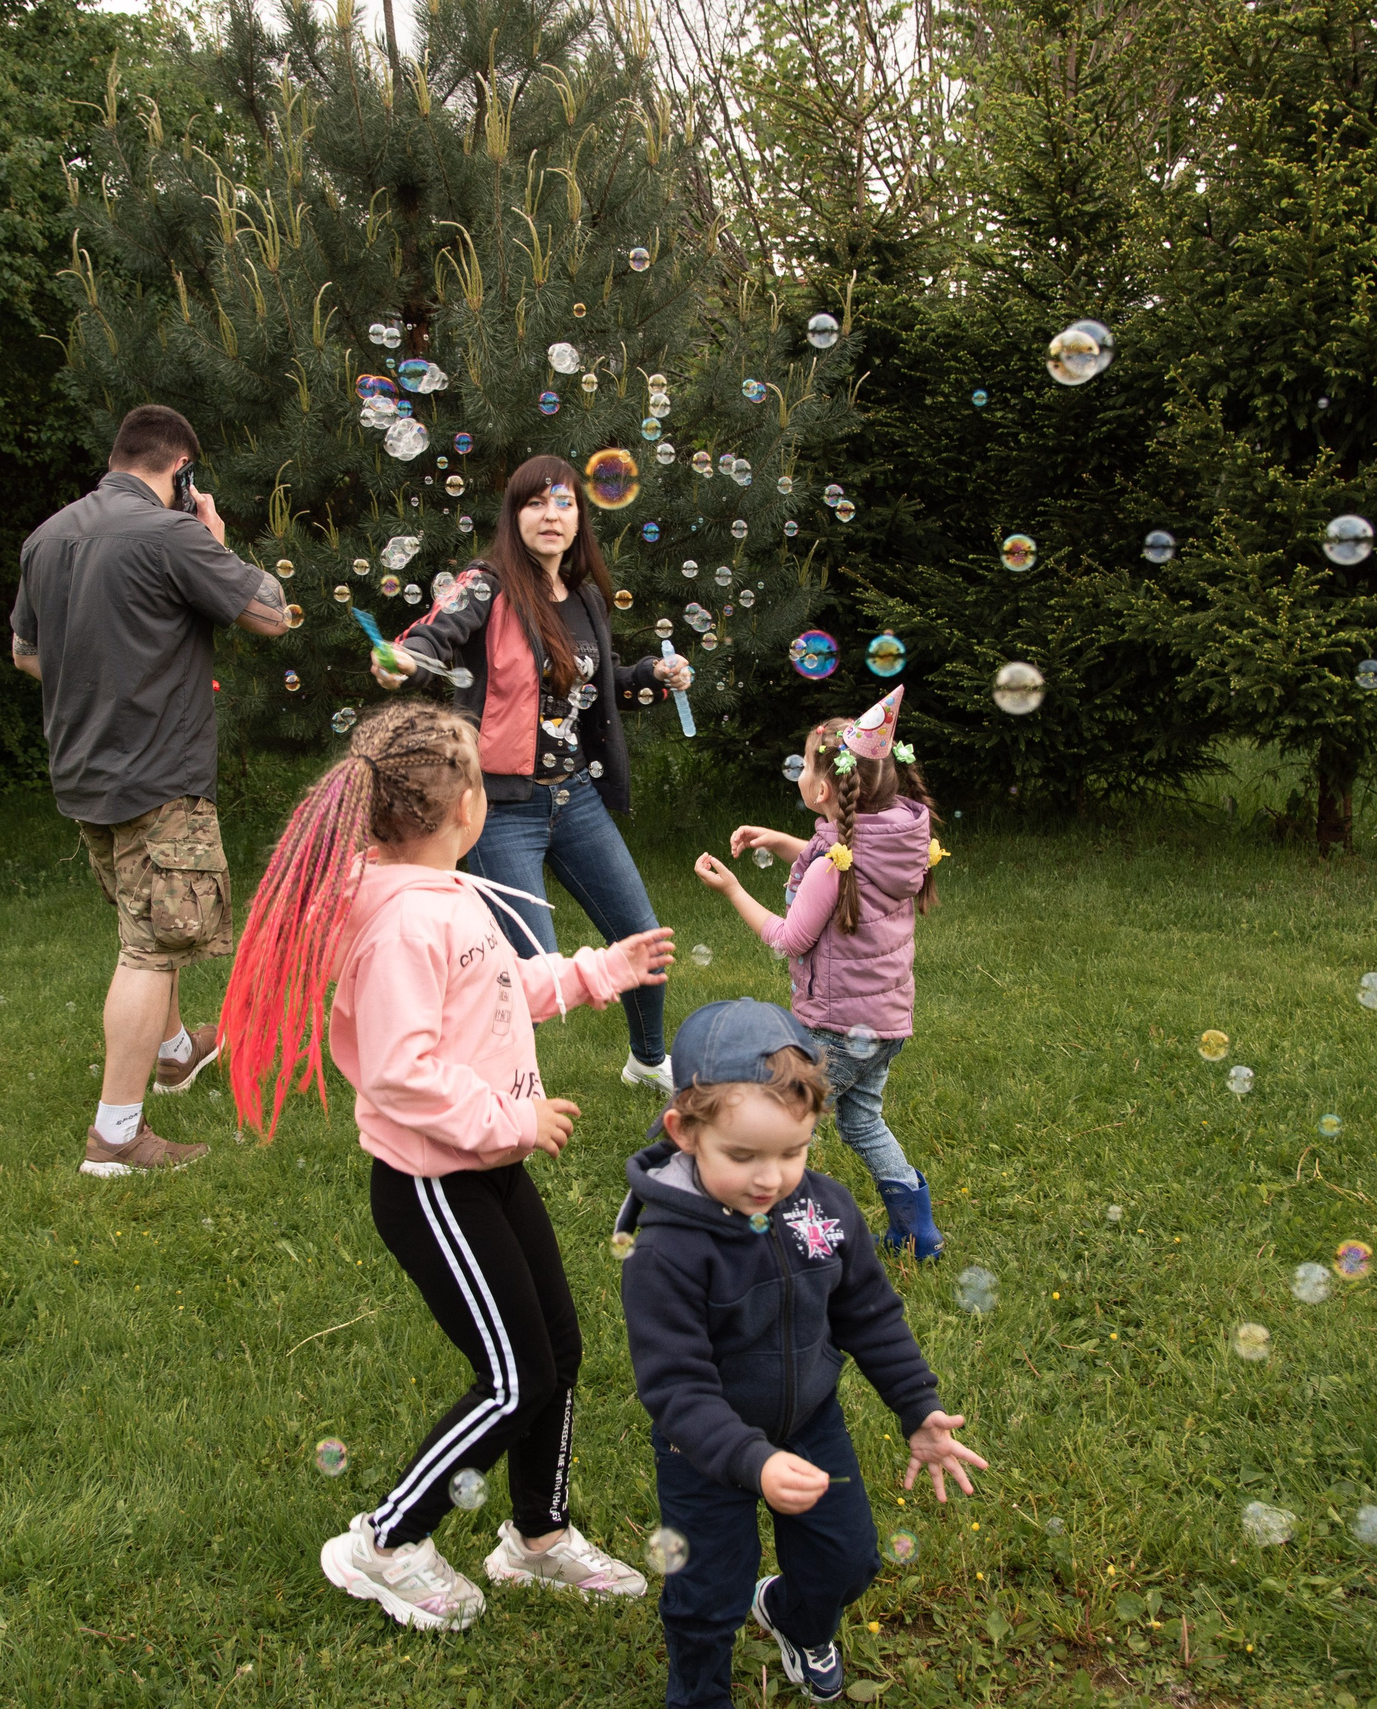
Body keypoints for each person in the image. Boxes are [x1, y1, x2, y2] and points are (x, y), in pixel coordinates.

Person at [218, 700, 674, 1632]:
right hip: (433, 1183)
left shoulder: (448, 894)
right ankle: (384, 1543)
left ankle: (536, 1538)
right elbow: (399, 1073)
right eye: (482, 772)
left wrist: (597, 970)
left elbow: (496, 988)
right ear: (462, 806)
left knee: (557, 1350)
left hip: (486, 1165)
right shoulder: (397, 923)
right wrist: (513, 1115)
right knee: (513, 1377)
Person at [614, 999, 985, 1707]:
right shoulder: (664, 1251)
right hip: (705, 1450)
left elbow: (869, 1313)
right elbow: (676, 1386)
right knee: (706, 1596)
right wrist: (752, 1460)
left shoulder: (827, 1209)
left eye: (793, 1151)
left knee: (848, 1560)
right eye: (742, 1155)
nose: (770, 1178)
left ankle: (793, 1614)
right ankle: (698, 1693)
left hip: (809, 1421)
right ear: (684, 1132)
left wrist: (918, 1407)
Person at [10, 403, 291, 1179]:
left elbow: (25, 654)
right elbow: (272, 615)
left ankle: (173, 1052)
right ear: (182, 470)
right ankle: (116, 1137)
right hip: (159, 776)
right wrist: (214, 539)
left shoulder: (48, 536)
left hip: (82, 773)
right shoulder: (172, 535)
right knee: (150, 948)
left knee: (149, 921)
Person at [372, 455, 696, 1093]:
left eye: (565, 503)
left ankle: (648, 1061)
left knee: (642, 939)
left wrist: (651, 680)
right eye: (535, 503)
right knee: (532, 971)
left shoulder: (586, 598)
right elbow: (432, 638)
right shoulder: (485, 585)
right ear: (514, 515)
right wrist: (401, 661)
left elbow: (596, 692)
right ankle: (503, 1093)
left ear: (580, 517)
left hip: (575, 799)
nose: (552, 516)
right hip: (499, 809)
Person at [690, 686, 950, 1257]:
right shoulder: (890, 837)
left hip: (838, 1026)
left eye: (804, 766)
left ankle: (768, 1224)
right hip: (885, 1024)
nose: (799, 775)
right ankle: (916, 1230)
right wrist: (783, 842)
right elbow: (827, 854)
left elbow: (790, 938)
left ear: (824, 788)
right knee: (861, 1123)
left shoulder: (839, 861)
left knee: (779, 1122)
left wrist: (733, 889)